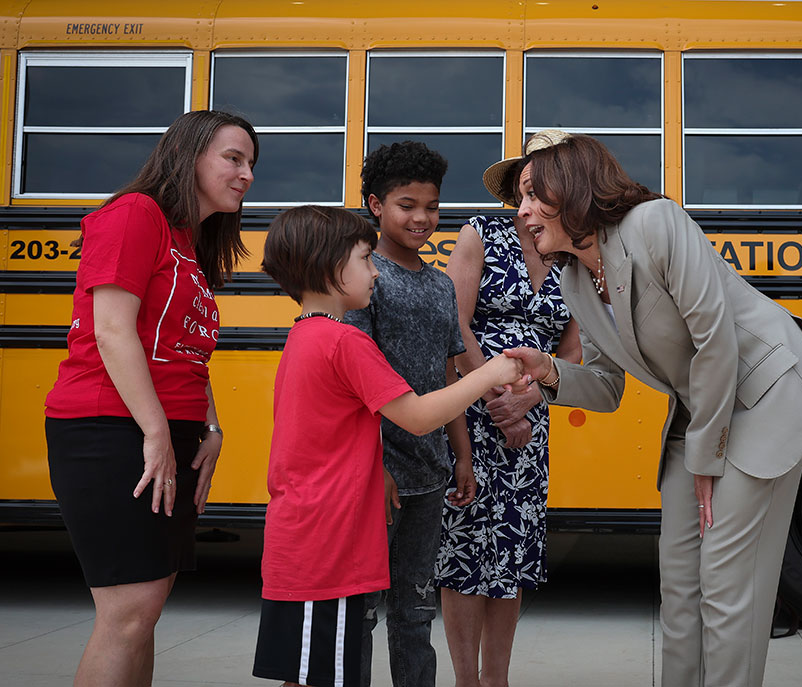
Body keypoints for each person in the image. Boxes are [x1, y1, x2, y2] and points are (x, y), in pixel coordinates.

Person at [501, 130, 802, 687]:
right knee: (679, 583)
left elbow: (715, 339)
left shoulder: (654, 222)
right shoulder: (574, 280)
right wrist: (550, 373)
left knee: (727, 585)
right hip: (704, 409)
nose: (522, 212)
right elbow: (608, 386)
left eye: (531, 193)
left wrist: (706, 460)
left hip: (764, 397)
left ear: (571, 187)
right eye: (518, 199)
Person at [252, 206, 528, 687]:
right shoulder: (345, 343)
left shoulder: (303, 336)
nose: (376, 270)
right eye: (364, 259)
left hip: (300, 538)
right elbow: (418, 416)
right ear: (330, 267)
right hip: (332, 543)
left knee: (306, 673)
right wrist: (489, 373)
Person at [43, 110, 258, 687]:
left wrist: (209, 428)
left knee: (145, 609)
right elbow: (112, 330)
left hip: (161, 430)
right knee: (127, 611)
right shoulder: (135, 214)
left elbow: (186, 349)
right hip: (109, 427)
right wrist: (157, 435)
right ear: (188, 155)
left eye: (251, 164)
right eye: (233, 158)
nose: (246, 175)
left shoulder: (188, 242)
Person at [436, 169, 581, 687]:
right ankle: (465, 681)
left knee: (512, 553)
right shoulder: (481, 232)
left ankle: (495, 680)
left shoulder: (573, 256)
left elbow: (574, 349)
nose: (530, 200)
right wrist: (497, 393)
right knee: (465, 552)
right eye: (526, 190)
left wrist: (531, 399)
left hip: (531, 416)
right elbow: (453, 322)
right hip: (470, 411)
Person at [344, 141, 470, 687]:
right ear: (375, 204)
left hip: (428, 472)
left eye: (432, 206)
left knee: (417, 612)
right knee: (361, 613)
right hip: (378, 475)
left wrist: (460, 456)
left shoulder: (441, 285)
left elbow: (448, 377)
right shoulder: (362, 281)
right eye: (406, 204)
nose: (422, 218)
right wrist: (376, 464)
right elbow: (353, 386)